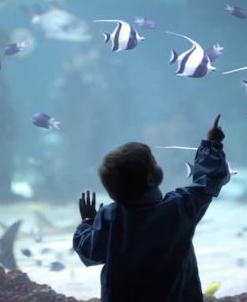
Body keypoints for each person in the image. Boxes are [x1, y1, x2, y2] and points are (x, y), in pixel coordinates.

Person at [73, 114, 230, 302]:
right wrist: (211, 145)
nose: (158, 163)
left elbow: (91, 253)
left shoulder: (110, 217)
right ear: (150, 179)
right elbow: (207, 181)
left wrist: (88, 222)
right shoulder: (177, 208)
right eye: (154, 161)